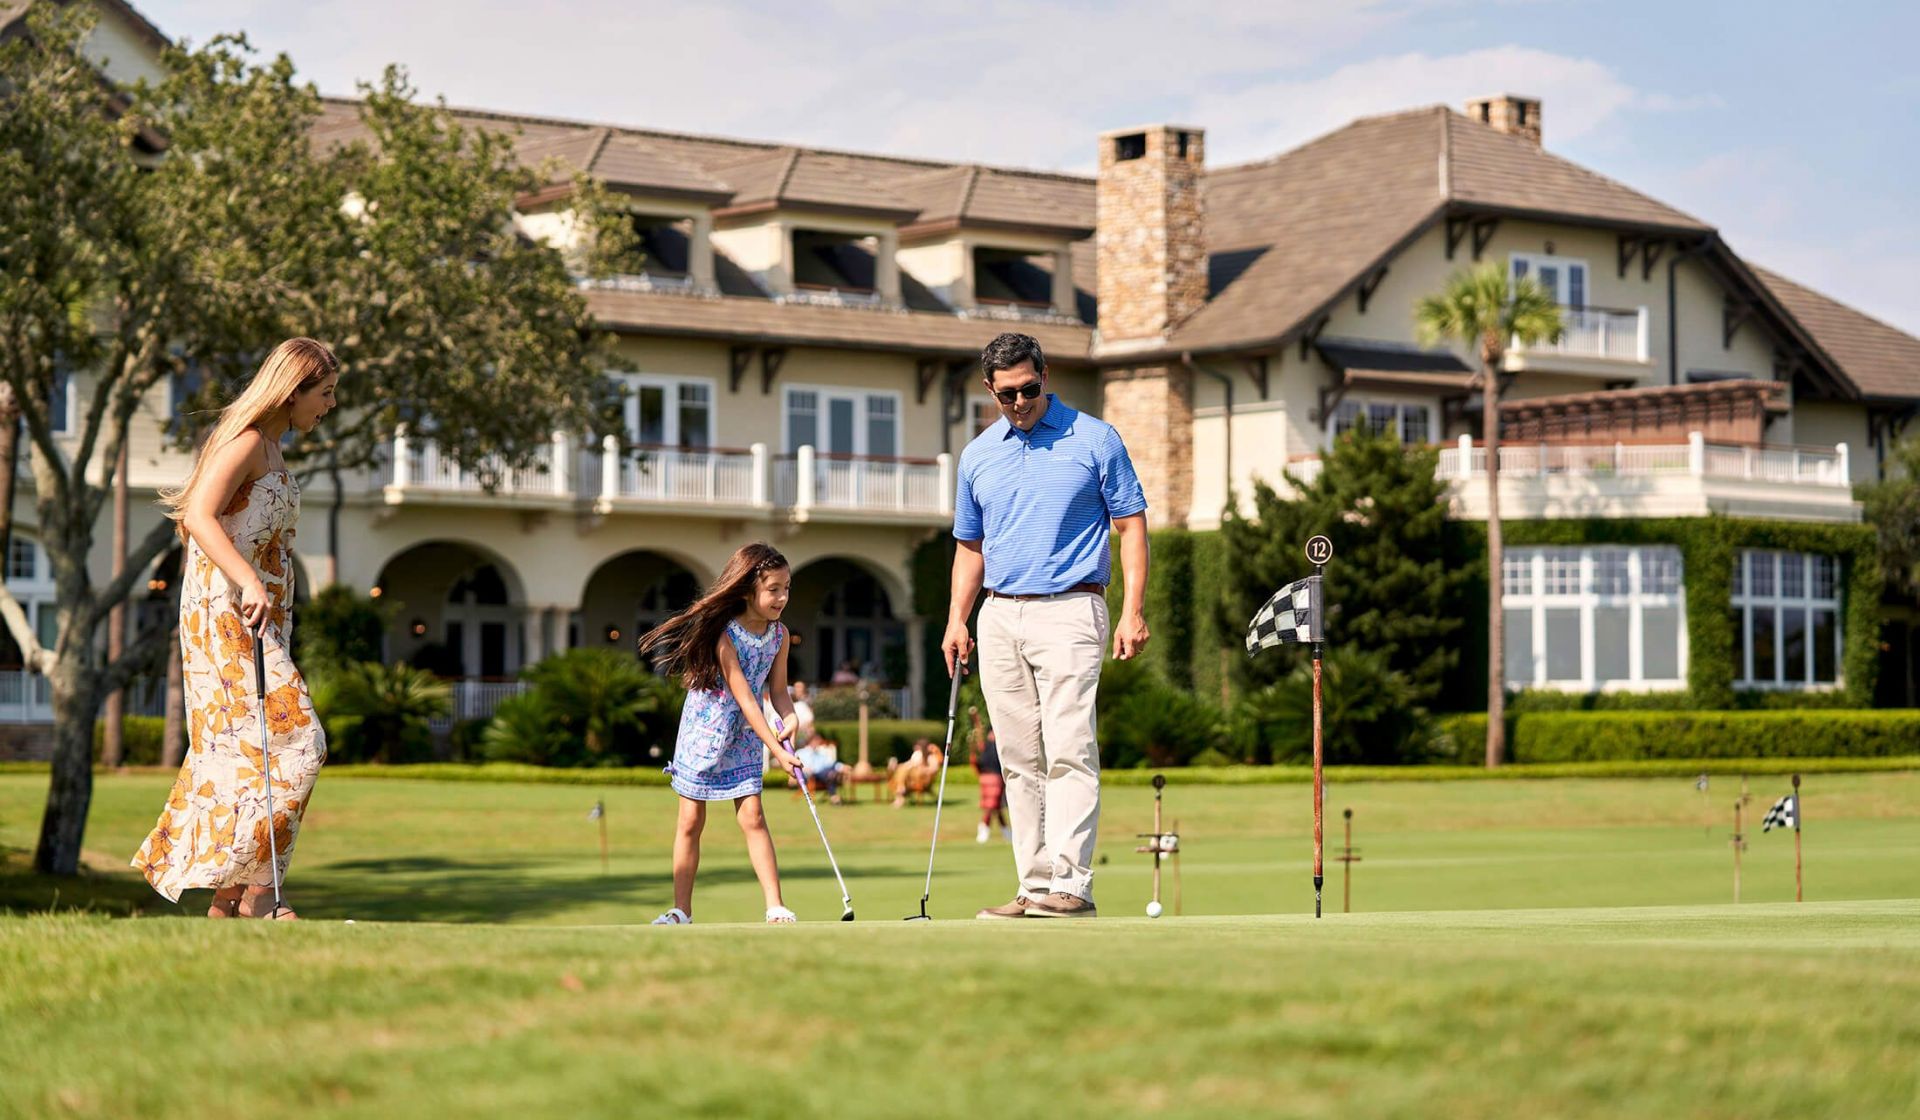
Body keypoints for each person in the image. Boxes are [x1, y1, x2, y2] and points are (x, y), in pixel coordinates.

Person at [131, 338, 339, 919]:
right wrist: (248, 580)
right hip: (224, 613)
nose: (328, 406)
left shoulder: (273, 448)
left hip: (258, 616)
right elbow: (197, 512)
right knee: (302, 740)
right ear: (292, 389)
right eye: (323, 394)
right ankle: (259, 893)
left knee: (254, 752)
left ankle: (231, 899)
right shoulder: (247, 442)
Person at [944, 332, 1150, 920]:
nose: (1020, 402)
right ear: (990, 390)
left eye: (1029, 389)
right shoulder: (979, 455)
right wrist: (957, 619)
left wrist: (1133, 610)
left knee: (1069, 748)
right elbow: (969, 547)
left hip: (1072, 607)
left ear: (1046, 376)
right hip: (999, 613)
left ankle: (1072, 885)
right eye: (1006, 394)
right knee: (1017, 757)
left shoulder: (1095, 439)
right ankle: (1034, 887)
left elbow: (1131, 526)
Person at [638, 542, 804, 925]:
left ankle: (775, 906)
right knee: (691, 822)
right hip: (705, 732)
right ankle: (682, 909)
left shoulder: (779, 636)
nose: (782, 597)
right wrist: (778, 753)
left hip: (745, 736)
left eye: (787, 587)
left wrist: (790, 717)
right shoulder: (724, 634)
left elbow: (776, 691)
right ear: (749, 589)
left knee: (754, 818)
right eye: (774, 588)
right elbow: (745, 697)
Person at [974, 730, 1010, 844]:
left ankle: (1000, 830)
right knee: (993, 805)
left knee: (995, 805)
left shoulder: (998, 745)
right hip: (986, 777)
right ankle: (987, 828)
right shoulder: (987, 746)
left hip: (996, 777)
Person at [795, 732, 845, 804]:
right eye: (817, 741)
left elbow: (830, 763)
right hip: (813, 775)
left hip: (824, 774)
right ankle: (834, 795)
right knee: (830, 773)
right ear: (811, 741)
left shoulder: (820, 753)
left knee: (831, 770)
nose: (819, 743)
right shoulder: (801, 752)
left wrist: (842, 766)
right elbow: (798, 765)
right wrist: (804, 769)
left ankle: (834, 794)